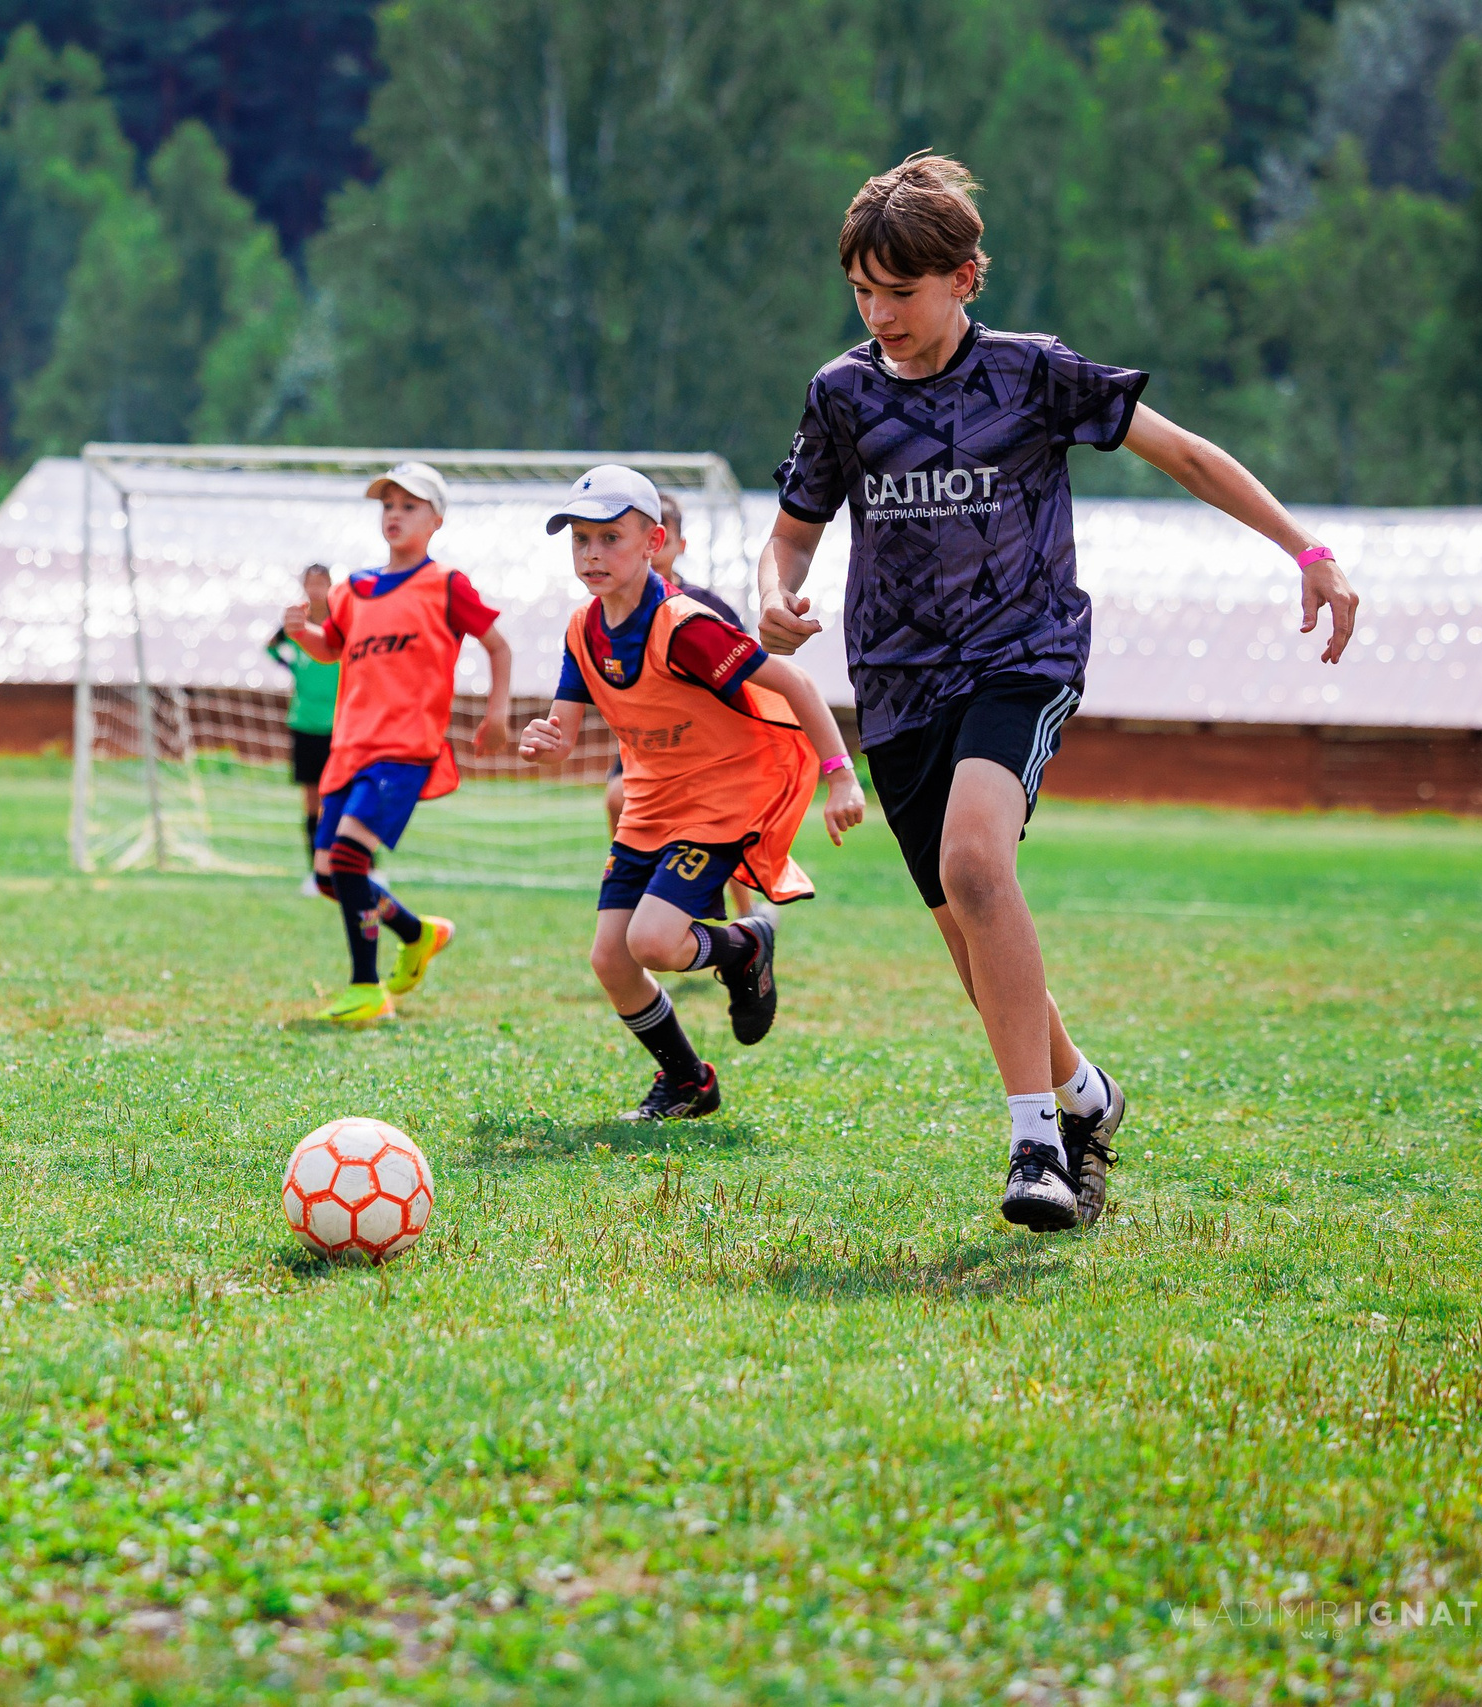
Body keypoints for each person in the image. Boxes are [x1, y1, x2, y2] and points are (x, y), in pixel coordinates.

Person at [757, 153, 1361, 1230]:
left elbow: (1183, 454)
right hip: (895, 684)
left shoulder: (1033, 375)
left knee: (975, 865)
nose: (879, 312)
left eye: (901, 290)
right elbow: (789, 540)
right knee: (964, 929)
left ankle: (1035, 1147)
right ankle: (1088, 1097)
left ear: (965, 279)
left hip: (1020, 656)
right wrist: (774, 597)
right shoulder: (840, 395)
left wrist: (1304, 549)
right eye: (862, 291)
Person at [522, 466, 864, 1120]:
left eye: (610, 538)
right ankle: (687, 1081)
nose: (592, 554)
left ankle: (743, 947)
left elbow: (793, 684)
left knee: (652, 941)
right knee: (611, 960)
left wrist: (840, 773)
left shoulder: (684, 626)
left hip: (716, 804)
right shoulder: (581, 630)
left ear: (654, 541)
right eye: (581, 540)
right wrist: (549, 739)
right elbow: (565, 729)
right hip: (647, 808)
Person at [280, 462, 512, 1027]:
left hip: (406, 748)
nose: (395, 514)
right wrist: (300, 633)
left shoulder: (447, 585)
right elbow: (332, 648)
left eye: (409, 506)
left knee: (350, 859)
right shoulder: (352, 589)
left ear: (436, 520)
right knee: (331, 877)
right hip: (348, 748)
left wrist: (498, 715)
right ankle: (417, 932)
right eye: (387, 505)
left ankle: (367, 988)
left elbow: (498, 647)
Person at [604, 490, 766, 921]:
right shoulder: (609, 610)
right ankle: (636, 890)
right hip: (649, 742)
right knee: (617, 796)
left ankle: (746, 915)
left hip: (705, 746)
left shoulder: (703, 608)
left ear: (670, 544)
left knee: (716, 823)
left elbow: (750, 669)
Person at [265, 564, 340, 892]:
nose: (316, 589)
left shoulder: (340, 621)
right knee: (312, 801)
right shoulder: (296, 622)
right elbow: (271, 646)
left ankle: (363, 868)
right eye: (311, 583)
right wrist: (292, 666)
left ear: (330, 586)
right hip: (306, 721)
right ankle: (316, 872)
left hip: (340, 724)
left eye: (321, 583)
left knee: (344, 799)